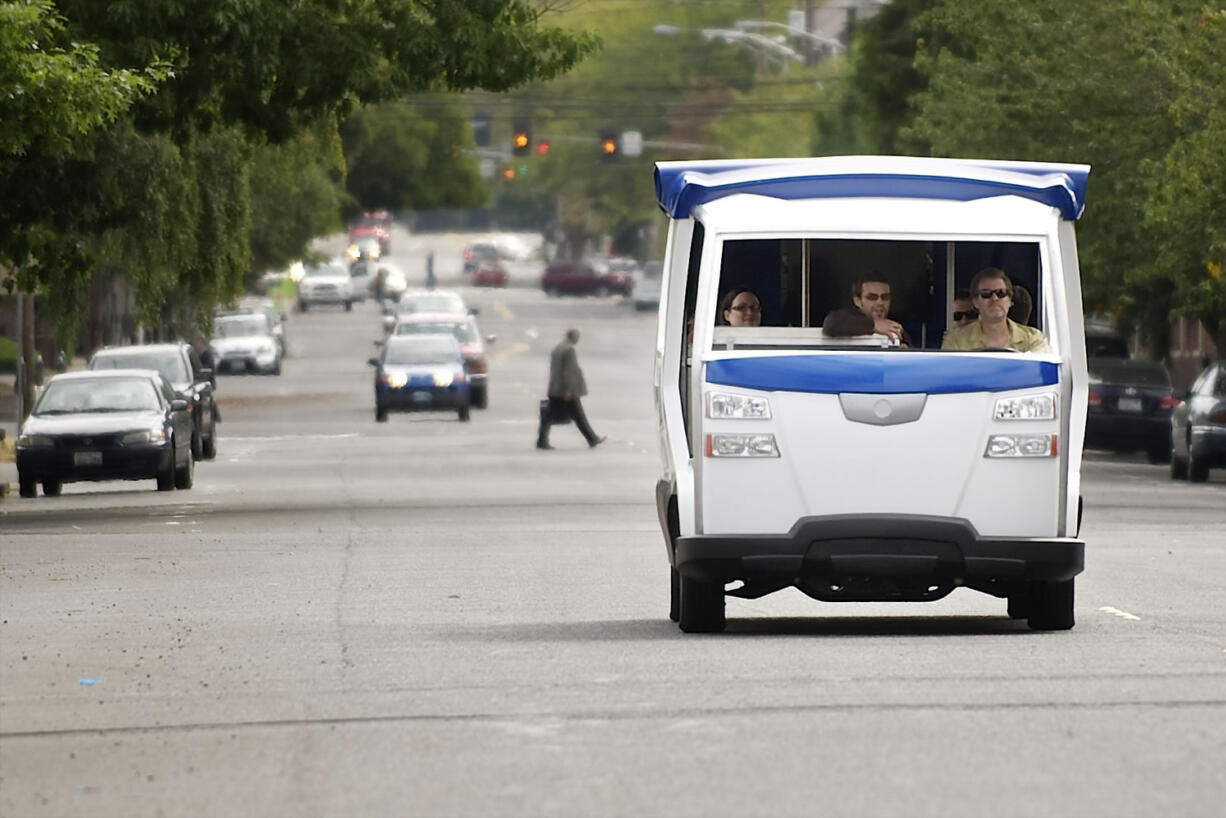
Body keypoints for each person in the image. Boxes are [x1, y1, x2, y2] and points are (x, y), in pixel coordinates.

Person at [942, 267, 1050, 352]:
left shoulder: (1033, 338)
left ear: (1010, 300)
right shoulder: (955, 340)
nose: (994, 298)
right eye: (986, 294)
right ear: (975, 302)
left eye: (1001, 293)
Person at [536, 328, 606, 450]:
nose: (578, 339)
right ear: (572, 337)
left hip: (555, 388)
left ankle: (592, 438)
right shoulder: (569, 350)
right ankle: (592, 438)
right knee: (573, 415)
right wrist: (569, 390)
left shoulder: (558, 348)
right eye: (577, 337)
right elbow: (570, 372)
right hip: (566, 391)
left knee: (555, 416)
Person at [822, 273, 910, 345]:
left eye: (885, 297)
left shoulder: (893, 323)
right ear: (858, 301)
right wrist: (873, 325)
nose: (880, 302)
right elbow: (831, 323)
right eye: (872, 297)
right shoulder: (847, 317)